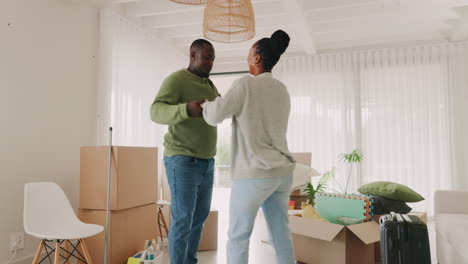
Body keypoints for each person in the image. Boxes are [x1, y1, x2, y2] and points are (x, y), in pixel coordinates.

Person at [201, 30, 296, 264]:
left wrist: (205, 104)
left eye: (249, 52)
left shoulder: (245, 84)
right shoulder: (281, 89)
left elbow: (216, 115)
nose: (247, 57)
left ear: (256, 58)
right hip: (282, 173)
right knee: (281, 235)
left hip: (254, 174)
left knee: (238, 236)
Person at [150, 39, 219, 264]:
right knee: (183, 219)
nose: (210, 63)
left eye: (213, 59)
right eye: (206, 57)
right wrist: (186, 109)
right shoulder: (177, 80)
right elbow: (156, 111)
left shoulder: (209, 85)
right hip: (182, 159)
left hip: (207, 162)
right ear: (192, 55)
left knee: (199, 218)